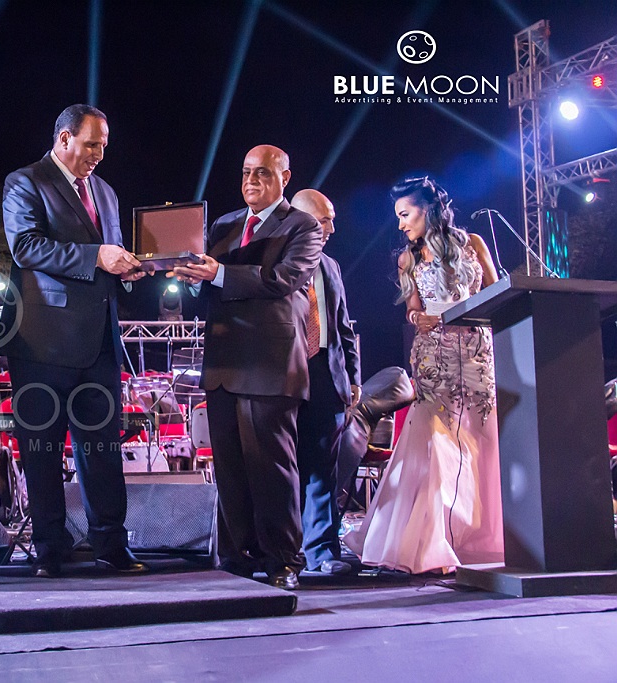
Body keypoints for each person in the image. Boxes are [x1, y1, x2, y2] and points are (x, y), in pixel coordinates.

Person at [0, 104, 147, 578]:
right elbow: (25, 247)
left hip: (99, 343)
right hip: (42, 343)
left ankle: (111, 543)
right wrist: (98, 257)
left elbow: (109, 255)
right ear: (64, 138)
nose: (99, 153)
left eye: (104, 145)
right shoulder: (26, 181)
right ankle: (49, 548)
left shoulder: (105, 191)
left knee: (103, 450)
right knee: (42, 451)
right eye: (92, 143)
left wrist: (127, 270)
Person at [172, 145, 322, 589]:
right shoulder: (223, 225)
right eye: (245, 173)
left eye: (262, 173)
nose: (251, 181)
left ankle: (284, 561)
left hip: (270, 366)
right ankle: (238, 557)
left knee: (272, 470)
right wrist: (188, 280)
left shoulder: (302, 226)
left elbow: (283, 280)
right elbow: (205, 292)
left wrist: (217, 274)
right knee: (231, 470)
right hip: (224, 362)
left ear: (284, 178)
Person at [344, 176, 504, 574]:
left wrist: (466, 311)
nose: (400, 224)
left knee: (480, 439)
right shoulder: (408, 259)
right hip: (434, 357)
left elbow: (496, 293)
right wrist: (420, 318)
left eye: (405, 214)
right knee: (434, 440)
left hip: (477, 355)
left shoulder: (474, 244)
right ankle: (430, 542)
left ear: (428, 209)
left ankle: (479, 537)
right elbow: (412, 310)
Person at [289, 189, 362, 576]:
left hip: (326, 376)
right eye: (323, 220)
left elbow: (343, 326)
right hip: (285, 375)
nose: (331, 228)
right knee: (285, 468)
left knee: (323, 468)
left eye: (331, 219)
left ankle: (322, 552)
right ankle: (285, 550)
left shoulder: (330, 266)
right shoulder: (279, 258)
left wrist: (353, 377)